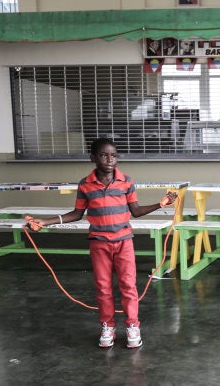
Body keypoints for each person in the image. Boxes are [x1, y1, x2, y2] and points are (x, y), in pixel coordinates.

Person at [27, 138, 177, 349]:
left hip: (124, 242)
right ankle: (108, 326)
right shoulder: (85, 184)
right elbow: (77, 214)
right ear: (93, 158)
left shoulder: (126, 181)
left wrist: (161, 204)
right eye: (104, 155)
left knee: (128, 286)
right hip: (99, 243)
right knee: (103, 288)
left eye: (113, 155)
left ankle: (133, 326)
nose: (109, 159)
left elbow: (135, 211)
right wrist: (46, 222)